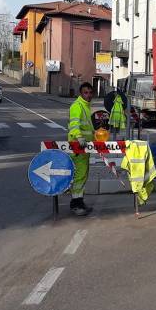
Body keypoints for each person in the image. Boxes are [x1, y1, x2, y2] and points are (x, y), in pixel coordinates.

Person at [67, 82, 95, 216]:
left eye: (90, 93)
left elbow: (87, 128)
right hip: (77, 147)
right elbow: (74, 125)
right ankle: (76, 204)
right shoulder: (77, 106)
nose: (88, 95)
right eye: (85, 93)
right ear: (81, 93)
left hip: (84, 148)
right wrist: (79, 137)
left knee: (83, 175)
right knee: (79, 176)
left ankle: (80, 202)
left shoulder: (86, 106)